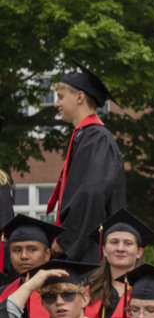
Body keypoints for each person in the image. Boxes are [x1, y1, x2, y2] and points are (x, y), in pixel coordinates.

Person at [46, 65, 125, 264]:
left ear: (80, 97)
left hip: (87, 253)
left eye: (61, 97)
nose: (57, 104)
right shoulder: (86, 137)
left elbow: (91, 194)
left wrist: (66, 240)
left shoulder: (97, 139)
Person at [87, 208, 154, 318]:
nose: (120, 248)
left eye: (128, 243)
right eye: (114, 242)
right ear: (104, 250)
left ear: (139, 252)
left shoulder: (152, 292)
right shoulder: (88, 292)